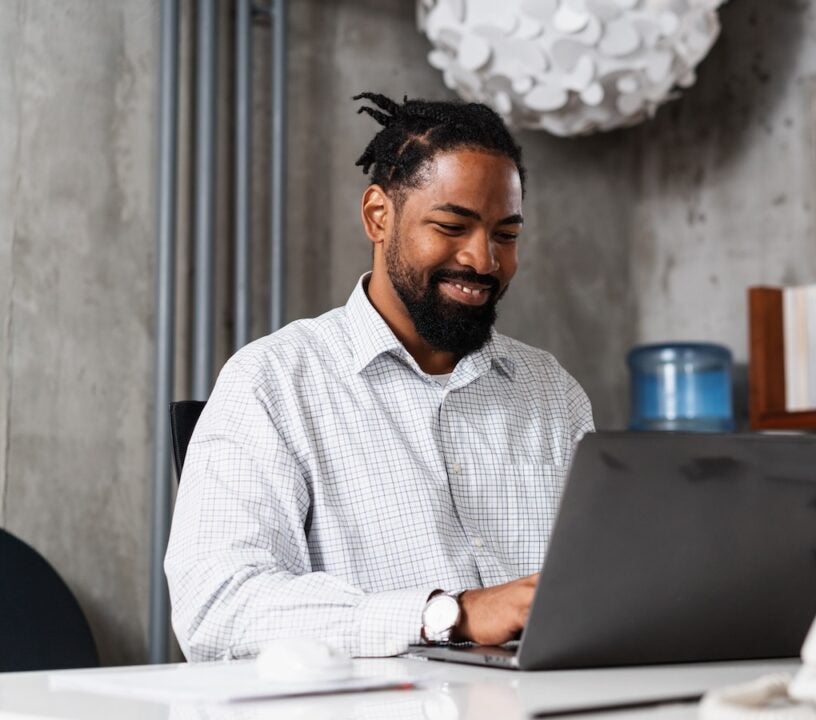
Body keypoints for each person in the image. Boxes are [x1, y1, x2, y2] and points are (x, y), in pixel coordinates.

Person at [165, 93, 595, 662]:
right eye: (451, 225)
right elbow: (217, 608)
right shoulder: (272, 382)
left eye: (506, 235)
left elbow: (603, 585)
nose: (484, 260)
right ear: (378, 215)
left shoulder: (552, 393)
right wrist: (451, 614)